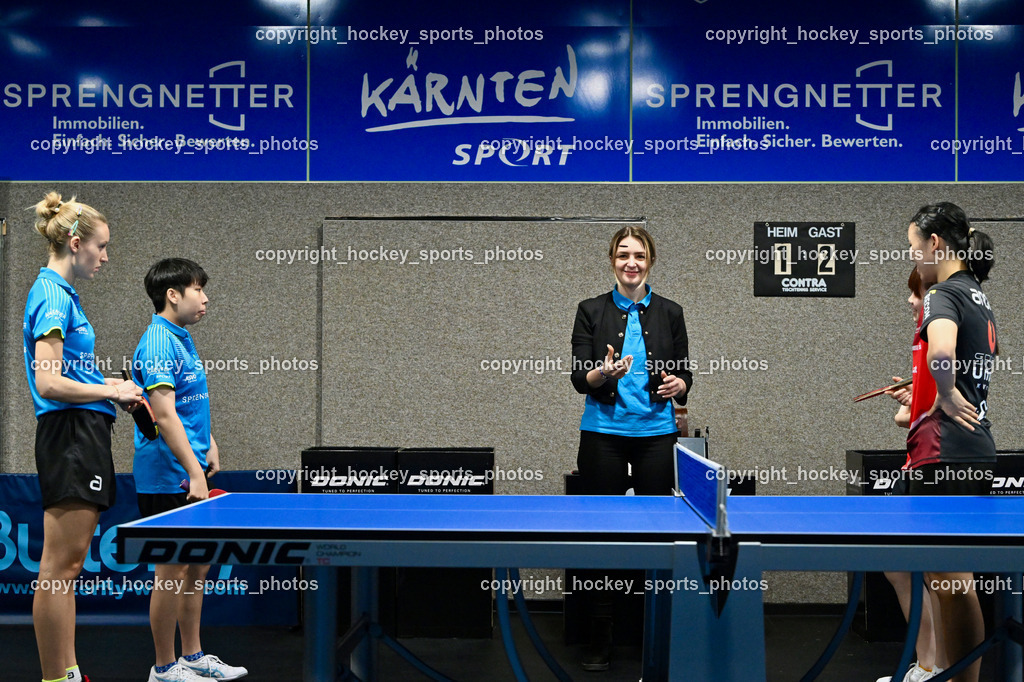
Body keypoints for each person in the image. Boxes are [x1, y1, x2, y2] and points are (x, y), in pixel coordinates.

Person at [24, 192, 144, 682]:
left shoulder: (61, 295)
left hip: (82, 429)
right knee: (60, 567)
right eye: (101, 246)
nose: (106, 256)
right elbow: (49, 382)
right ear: (76, 243)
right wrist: (108, 391)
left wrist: (109, 386)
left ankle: (68, 672)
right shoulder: (52, 294)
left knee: (66, 567)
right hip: (70, 433)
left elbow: (67, 371)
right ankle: (59, 677)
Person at [570, 225, 692, 671]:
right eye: (623, 254)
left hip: (656, 438)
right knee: (602, 535)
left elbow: (683, 374)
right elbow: (579, 377)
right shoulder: (589, 310)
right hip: (603, 434)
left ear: (650, 261)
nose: (631, 262)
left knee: (658, 538)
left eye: (639, 255)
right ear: (612, 260)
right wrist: (603, 374)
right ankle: (598, 638)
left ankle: (651, 631)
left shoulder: (671, 312)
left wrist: (682, 384)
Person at [129, 258, 247, 682]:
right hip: (167, 475)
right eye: (198, 289)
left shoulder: (181, 339)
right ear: (173, 294)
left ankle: (193, 656)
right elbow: (162, 415)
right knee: (171, 572)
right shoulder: (158, 341)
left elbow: (188, 404)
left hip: (189, 467)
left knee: (197, 566)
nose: (206, 297)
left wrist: (209, 444)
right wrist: (193, 471)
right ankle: (164, 667)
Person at [906, 202, 997, 682]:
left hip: (947, 452)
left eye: (915, 248)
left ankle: (958, 679)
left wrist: (943, 394)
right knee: (949, 578)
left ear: (935, 244)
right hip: (973, 445)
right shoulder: (977, 294)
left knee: (952, 580)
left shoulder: (942, 292)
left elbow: (941, 350)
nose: (915, 257)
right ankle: (947, 673)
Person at [876, 266, 945, 682]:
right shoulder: (921, 344)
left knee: (940, 573)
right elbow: (911, 417)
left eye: (916, 293)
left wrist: (918, 404)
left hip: (939, 463)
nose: (910, 300)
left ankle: (940, 666)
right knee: (898, 566)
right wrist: (909, 399)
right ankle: (926, 664)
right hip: (916, 460)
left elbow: (947, 410)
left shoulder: (943, 341)